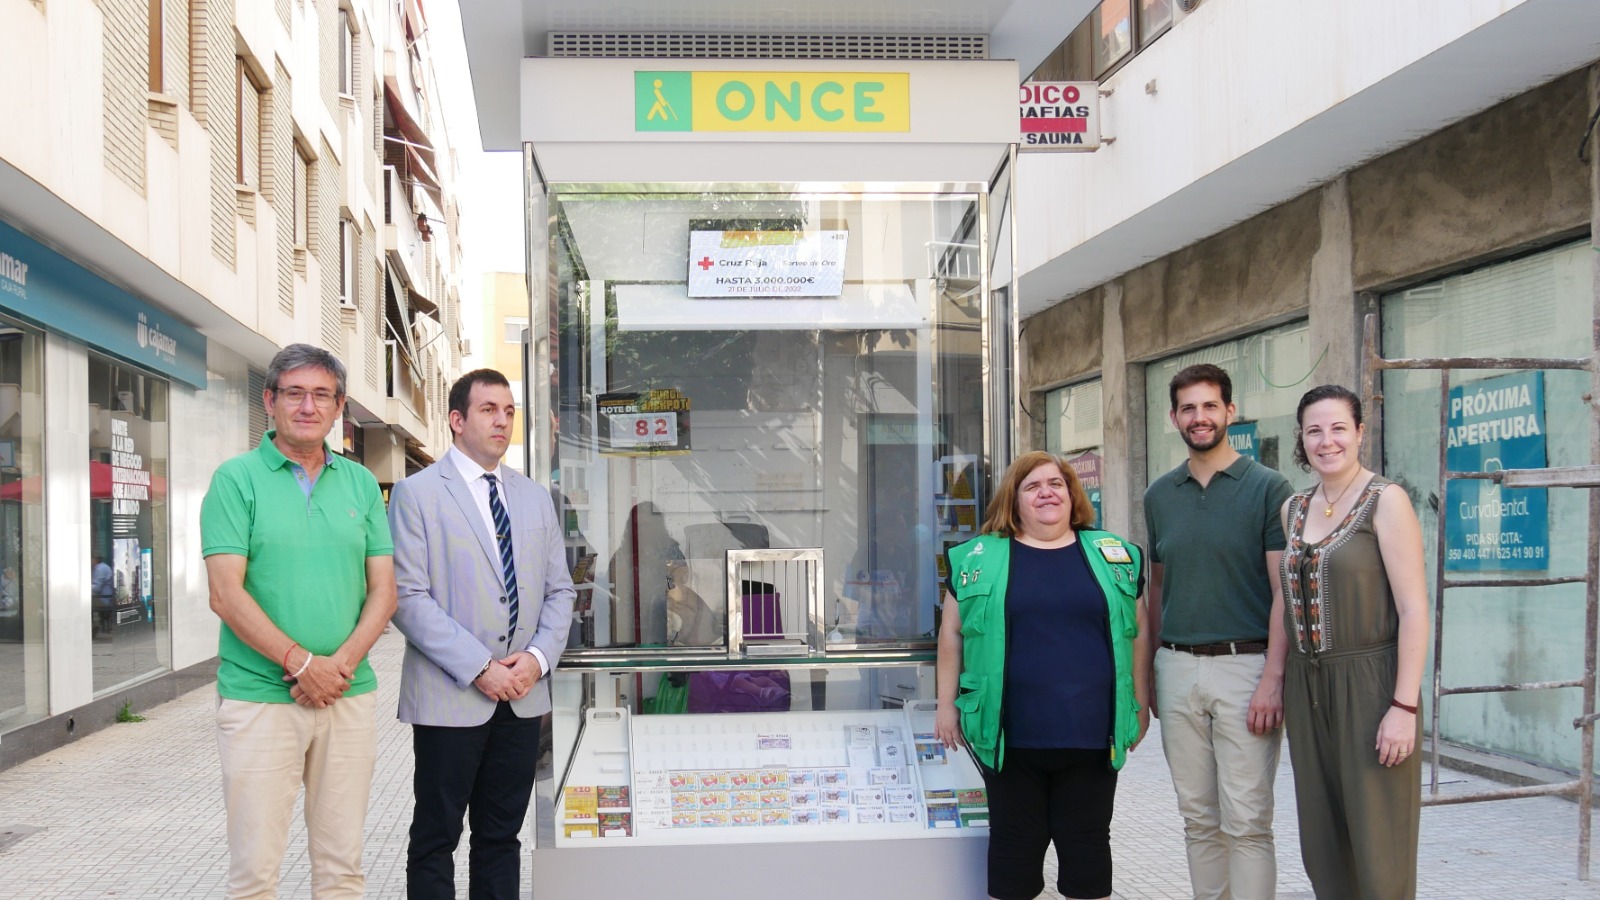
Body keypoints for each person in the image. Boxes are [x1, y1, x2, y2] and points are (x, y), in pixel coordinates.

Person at [201, 344, 396, 899]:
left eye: (322, 395)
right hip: (260, 699)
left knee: (342, 870)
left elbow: (385, 591)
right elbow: (225, 594)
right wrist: (302, 664)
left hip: (347, 696)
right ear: (270, 401)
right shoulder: (235, 480)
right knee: (255, 874)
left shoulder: (361, 483)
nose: (308, 407)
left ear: (339, 407)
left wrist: (338, 667)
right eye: (294, 393)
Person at [388, 368, 575, 899]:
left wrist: (537, 659)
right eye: (489, 409)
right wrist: (480, 668)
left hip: (521, 697)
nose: (502, 421)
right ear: (456, 419)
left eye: (509, 411)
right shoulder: (417, 493)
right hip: (451, 698)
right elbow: (407, 597)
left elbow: (560, 590)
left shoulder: (534, 497)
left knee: (500, 838)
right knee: (436, 838)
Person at [935, 450, 1149, 900]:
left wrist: (1141, 704)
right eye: (1032, 486)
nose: (1046, 493)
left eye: (1055, 484)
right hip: (1009, 737)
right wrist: (945, 706)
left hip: (1092, 735)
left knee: (1088, 851)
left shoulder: (1115, 556)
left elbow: (1139, 633)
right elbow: (951, 634)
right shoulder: (977, 557)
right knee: (1014, 851)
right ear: (1013, 500)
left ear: (1072, 494)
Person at [1143, 363, 1293, 900]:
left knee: (1247, 820)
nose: (1199, 417)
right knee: (1197, 817)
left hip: (1246, 667)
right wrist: (1152, 673)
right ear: (1174, 418)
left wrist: (1273, 678)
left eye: (1210, 405)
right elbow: (1157, 589)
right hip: (1177, 667)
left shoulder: (1269, 488)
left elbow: (1284, 593)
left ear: (1230, 410)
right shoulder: (1159, 495)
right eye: (1188, 408)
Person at [1278, 385, 1427, 898]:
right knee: (1323, 840)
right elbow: (1283, 601)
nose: (1327, 441)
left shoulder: (1386, 500)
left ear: (1360, 432)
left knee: (1378, 838)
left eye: (1338, 428)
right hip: (1306, 685)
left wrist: (1403, 707)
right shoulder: (1293, 508)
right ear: (1301, 438)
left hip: (1370, 685)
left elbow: (1414, 609)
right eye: (1314, 431)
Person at [91, 554, 113, 636]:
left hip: (104, 599)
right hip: (108, 598)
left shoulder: (99, 569)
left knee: (85, 603)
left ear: (94, 559)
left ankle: (95, 624)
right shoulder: (105, 567)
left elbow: (97, 588)